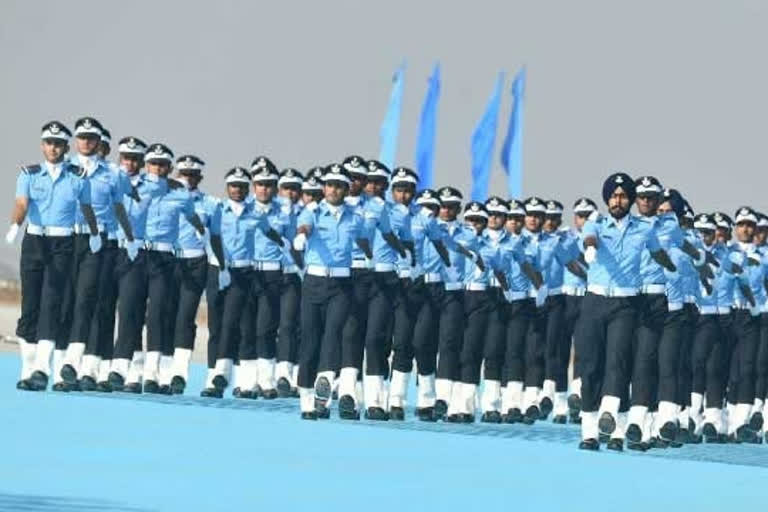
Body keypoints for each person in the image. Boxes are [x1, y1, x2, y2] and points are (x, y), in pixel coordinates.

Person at [577, 172, 676, 451]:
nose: (618, 200)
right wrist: (591, 250)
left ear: (630, 200)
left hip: (625, 304)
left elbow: (657, 252)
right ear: (607, 199)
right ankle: (590, 432)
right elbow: (589, 236)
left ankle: (613, 424)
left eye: (622, 196)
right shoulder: (596, 222)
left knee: (618, 362)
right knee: (591, 365)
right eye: (613, 196)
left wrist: (671, 268)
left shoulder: (643, 229)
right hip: (595, 300)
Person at [8, 121, 99, 391]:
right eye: (49, 142)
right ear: (42, 145)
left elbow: (87, 208)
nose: (53, 148)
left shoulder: (78, 176)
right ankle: (28, 368)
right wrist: (15, 225)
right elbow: (22, 204)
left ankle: (41, 369)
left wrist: (94, 233)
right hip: (35, 241)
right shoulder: (29, 174)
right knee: (30, 306)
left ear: (65, 147)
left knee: (52, 302)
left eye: (59, 143)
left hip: (63, 243)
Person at [59, 117, 136, 391]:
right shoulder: (66, 168)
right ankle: (66, 369)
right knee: (69, 302)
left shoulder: (114, 175)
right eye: (85, 138)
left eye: (97, 140)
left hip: (106, 244)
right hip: (70, 240)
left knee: (97, 305)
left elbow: (124, 205)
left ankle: (89, 367)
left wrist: (129, 238)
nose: (92, 144)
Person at [292, 164, 370, 420]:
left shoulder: (356, 217)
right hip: (314, 282)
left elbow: (365, 239)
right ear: (323, 188)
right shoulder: (312, 212)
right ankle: (306, 399)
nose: (333, 190)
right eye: (329, 185)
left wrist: (371, 257)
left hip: (341, 284)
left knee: (333, 334)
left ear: (346, 189)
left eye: (338, 185)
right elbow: (304, 227)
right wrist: (302, 237)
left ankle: (322, 389)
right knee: (310, 339)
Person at [166, 155, 224, 394]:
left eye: (192, 175)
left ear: (200, 177)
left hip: (196, 261)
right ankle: (161, 371)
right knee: (164, 315)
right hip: (168, 260)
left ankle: (179, 371)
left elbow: (217, 236)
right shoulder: (166, 198)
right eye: (184, 174)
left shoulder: (209, 203)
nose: (187, 178)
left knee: (185, 315)